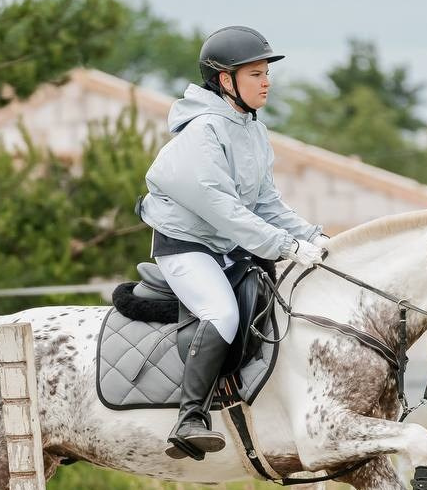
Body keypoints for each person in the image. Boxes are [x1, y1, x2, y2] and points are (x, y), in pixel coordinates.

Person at [137, 25, 327, 460]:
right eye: (256, 74)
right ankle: (190, 418)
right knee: (221, 313)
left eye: (266, 73)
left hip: (224, 244)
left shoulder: (252, 130)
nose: (267, 82)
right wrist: (284, 245)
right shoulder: (203, 130)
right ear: (226, 81)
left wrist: (315, 237)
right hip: (186, 247)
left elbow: (266, 203)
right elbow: (223, 209)